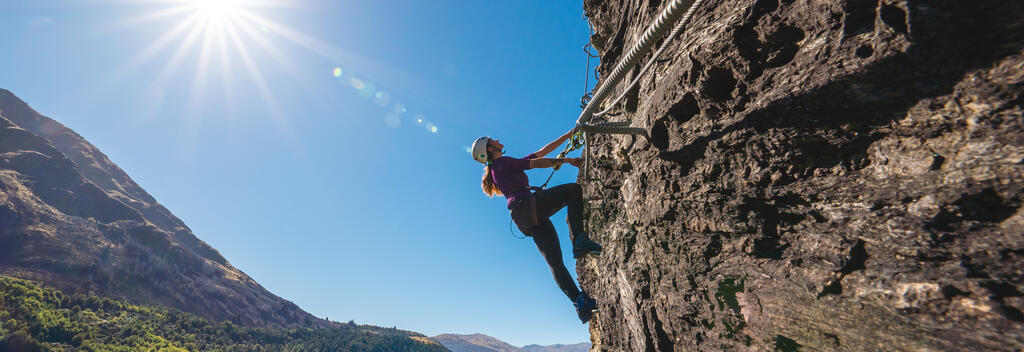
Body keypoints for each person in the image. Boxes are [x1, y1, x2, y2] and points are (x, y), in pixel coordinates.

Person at [470, 129, 603, 323]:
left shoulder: (500, 166)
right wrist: (566, 161)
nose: (498, 139)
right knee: (573, 191)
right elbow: (535, 163)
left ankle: (580, 303)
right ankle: (580, 241)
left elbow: (540, 153)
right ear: (490, 149)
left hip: (523, 217)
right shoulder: (501, 163)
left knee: (555, 263)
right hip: (527, 205)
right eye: (493, 140)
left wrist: (570, 134)